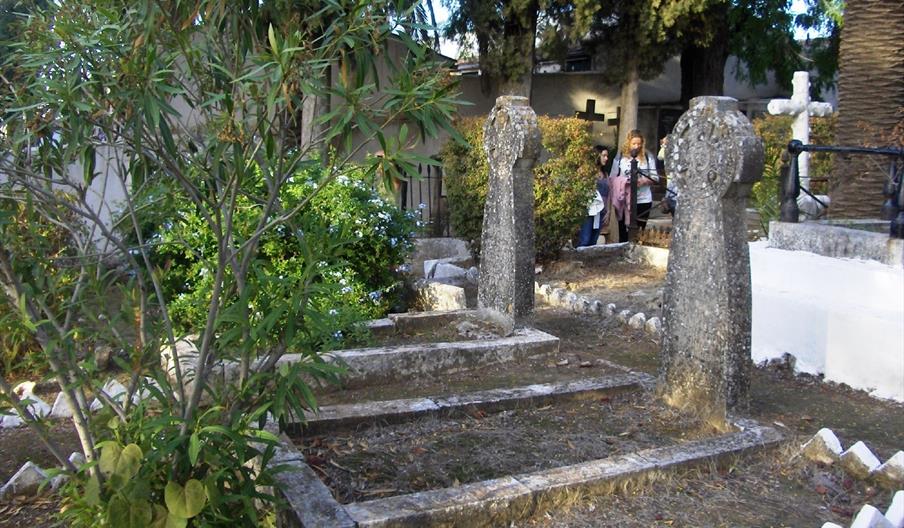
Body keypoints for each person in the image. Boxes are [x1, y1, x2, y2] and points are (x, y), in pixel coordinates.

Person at [608, 130, 659, 242]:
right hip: (624, 200)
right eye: (634, 144)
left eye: (639, 144)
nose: (637, 146)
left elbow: (655, 178)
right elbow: (612, 177)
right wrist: (624, 182)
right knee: (623, 232)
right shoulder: (620, 156)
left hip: (643, 199)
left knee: (639, 232)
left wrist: (642, 181)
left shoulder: (647, 156)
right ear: (628, 143)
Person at [577, 145, 610, 247]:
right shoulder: (586, 171)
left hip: (601, 210)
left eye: (607, 156)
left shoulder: (605, 173)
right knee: (585, 238)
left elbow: (608, 193)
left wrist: (608, 210)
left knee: (594, 239)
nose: (606, 158)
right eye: (603, 155)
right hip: (589, 209)